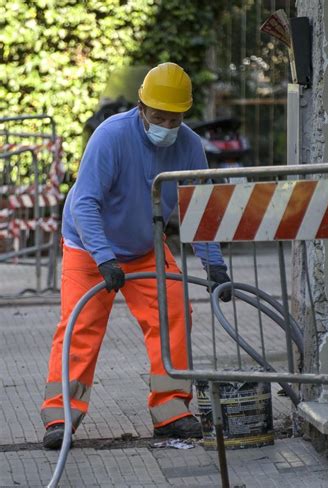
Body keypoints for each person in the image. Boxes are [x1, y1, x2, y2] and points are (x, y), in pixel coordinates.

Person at [41, 62, 231, 449]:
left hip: (145, 246)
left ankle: (171, 410)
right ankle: (60, 416)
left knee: (174, 312)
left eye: (173, 117)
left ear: (184, 114)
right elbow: (86, 204)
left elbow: (199, 210)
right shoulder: (111, 137)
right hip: (89, 245)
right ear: (142, 108)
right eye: (157, 115)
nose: (165, 123)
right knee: (80, 327)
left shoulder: (190, 146)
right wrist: (104, 258)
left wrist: (214, 264)